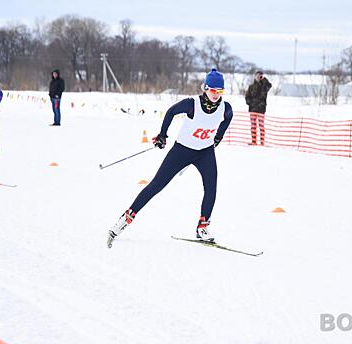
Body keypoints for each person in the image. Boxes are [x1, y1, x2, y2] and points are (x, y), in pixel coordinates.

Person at [107, 68, 234, 248]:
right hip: (181, 151)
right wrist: (162, 135)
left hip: (205, 152)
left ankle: (203, 227)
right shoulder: (192, 104)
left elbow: (227, 118)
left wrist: (218, 137)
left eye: (219, 91)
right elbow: (171, 112)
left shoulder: (225, 108)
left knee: (211, 188)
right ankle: (125, 219)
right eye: (213, 90)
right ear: (205, 88)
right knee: (156, 185)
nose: (216, 94)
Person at [245, 70, 272, 145]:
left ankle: (262, 142)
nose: (258, 77)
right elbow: (247, 96)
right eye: (257, 75)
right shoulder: (251, 86)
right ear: (255, 76)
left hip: (261, 109)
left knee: (261, 126)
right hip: (252, 109)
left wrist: (264, 79)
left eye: (260, 75)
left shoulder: (264, 86)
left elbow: (269, 86)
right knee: (253, 126)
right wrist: (249, 103)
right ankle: (254, 141)